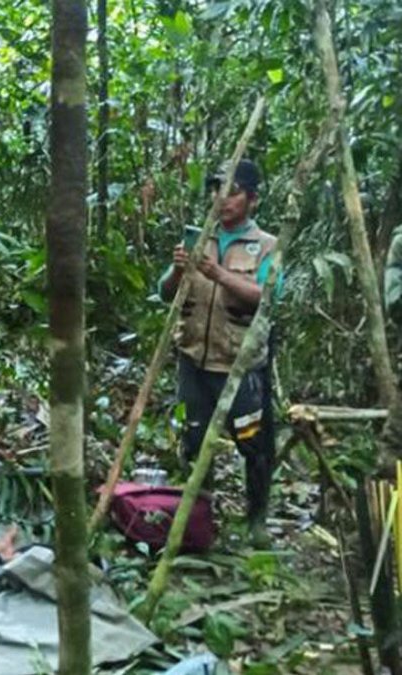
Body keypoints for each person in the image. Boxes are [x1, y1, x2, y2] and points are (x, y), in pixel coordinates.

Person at [157, 159, 277, 546]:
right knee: (194, 443)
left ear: (253, 200)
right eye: (215, 189)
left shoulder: (267, 246)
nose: (220, 198)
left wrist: (218, 274)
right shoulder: (201, 237)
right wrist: (178, 271)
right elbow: (166, 293)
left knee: (253, 445)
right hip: (194, 360)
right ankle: (200, 522)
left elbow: (267, 298)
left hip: (240, 365)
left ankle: (256, 520)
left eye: (232, 191)